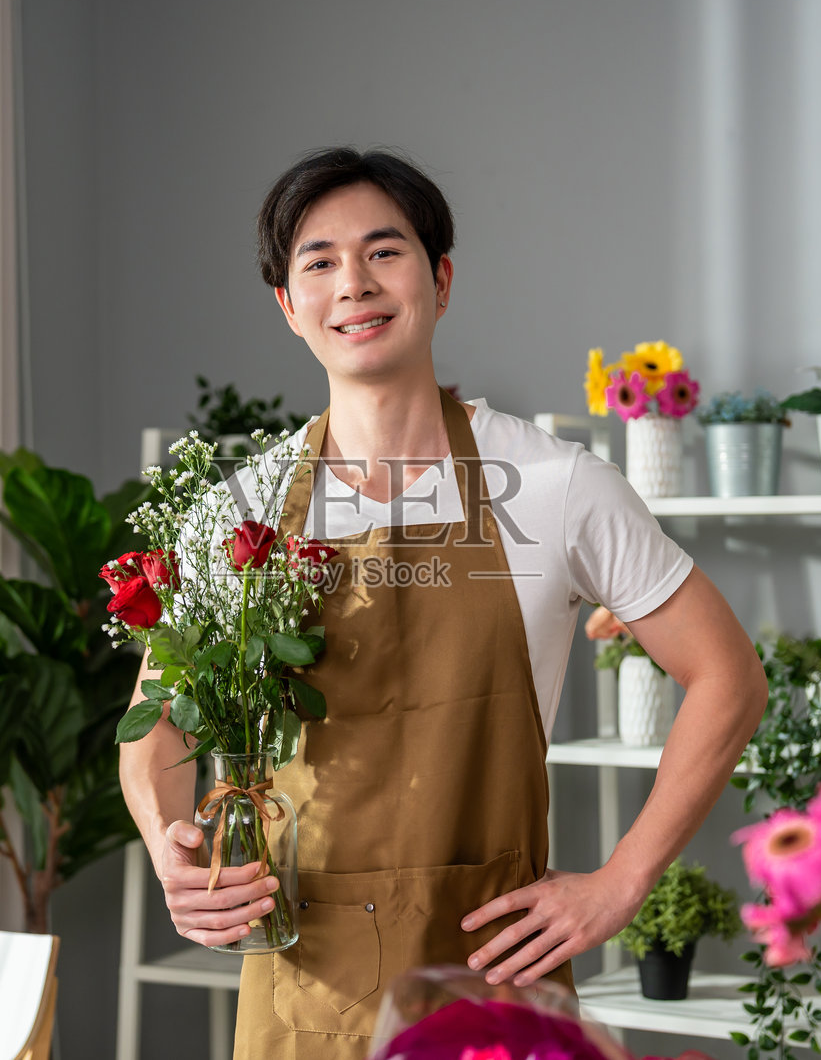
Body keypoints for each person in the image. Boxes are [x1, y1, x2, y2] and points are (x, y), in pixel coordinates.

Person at [119, 147, 767, 1060]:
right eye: (319, 262)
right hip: (308, 987)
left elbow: (729, 676)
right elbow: (155, 723)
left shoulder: (557, 485)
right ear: (287, 304)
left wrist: (623, 882)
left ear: (441, 278)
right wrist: (168, 846)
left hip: (496, 975)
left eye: (385, 252)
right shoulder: (241, 510)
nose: (354, 283)